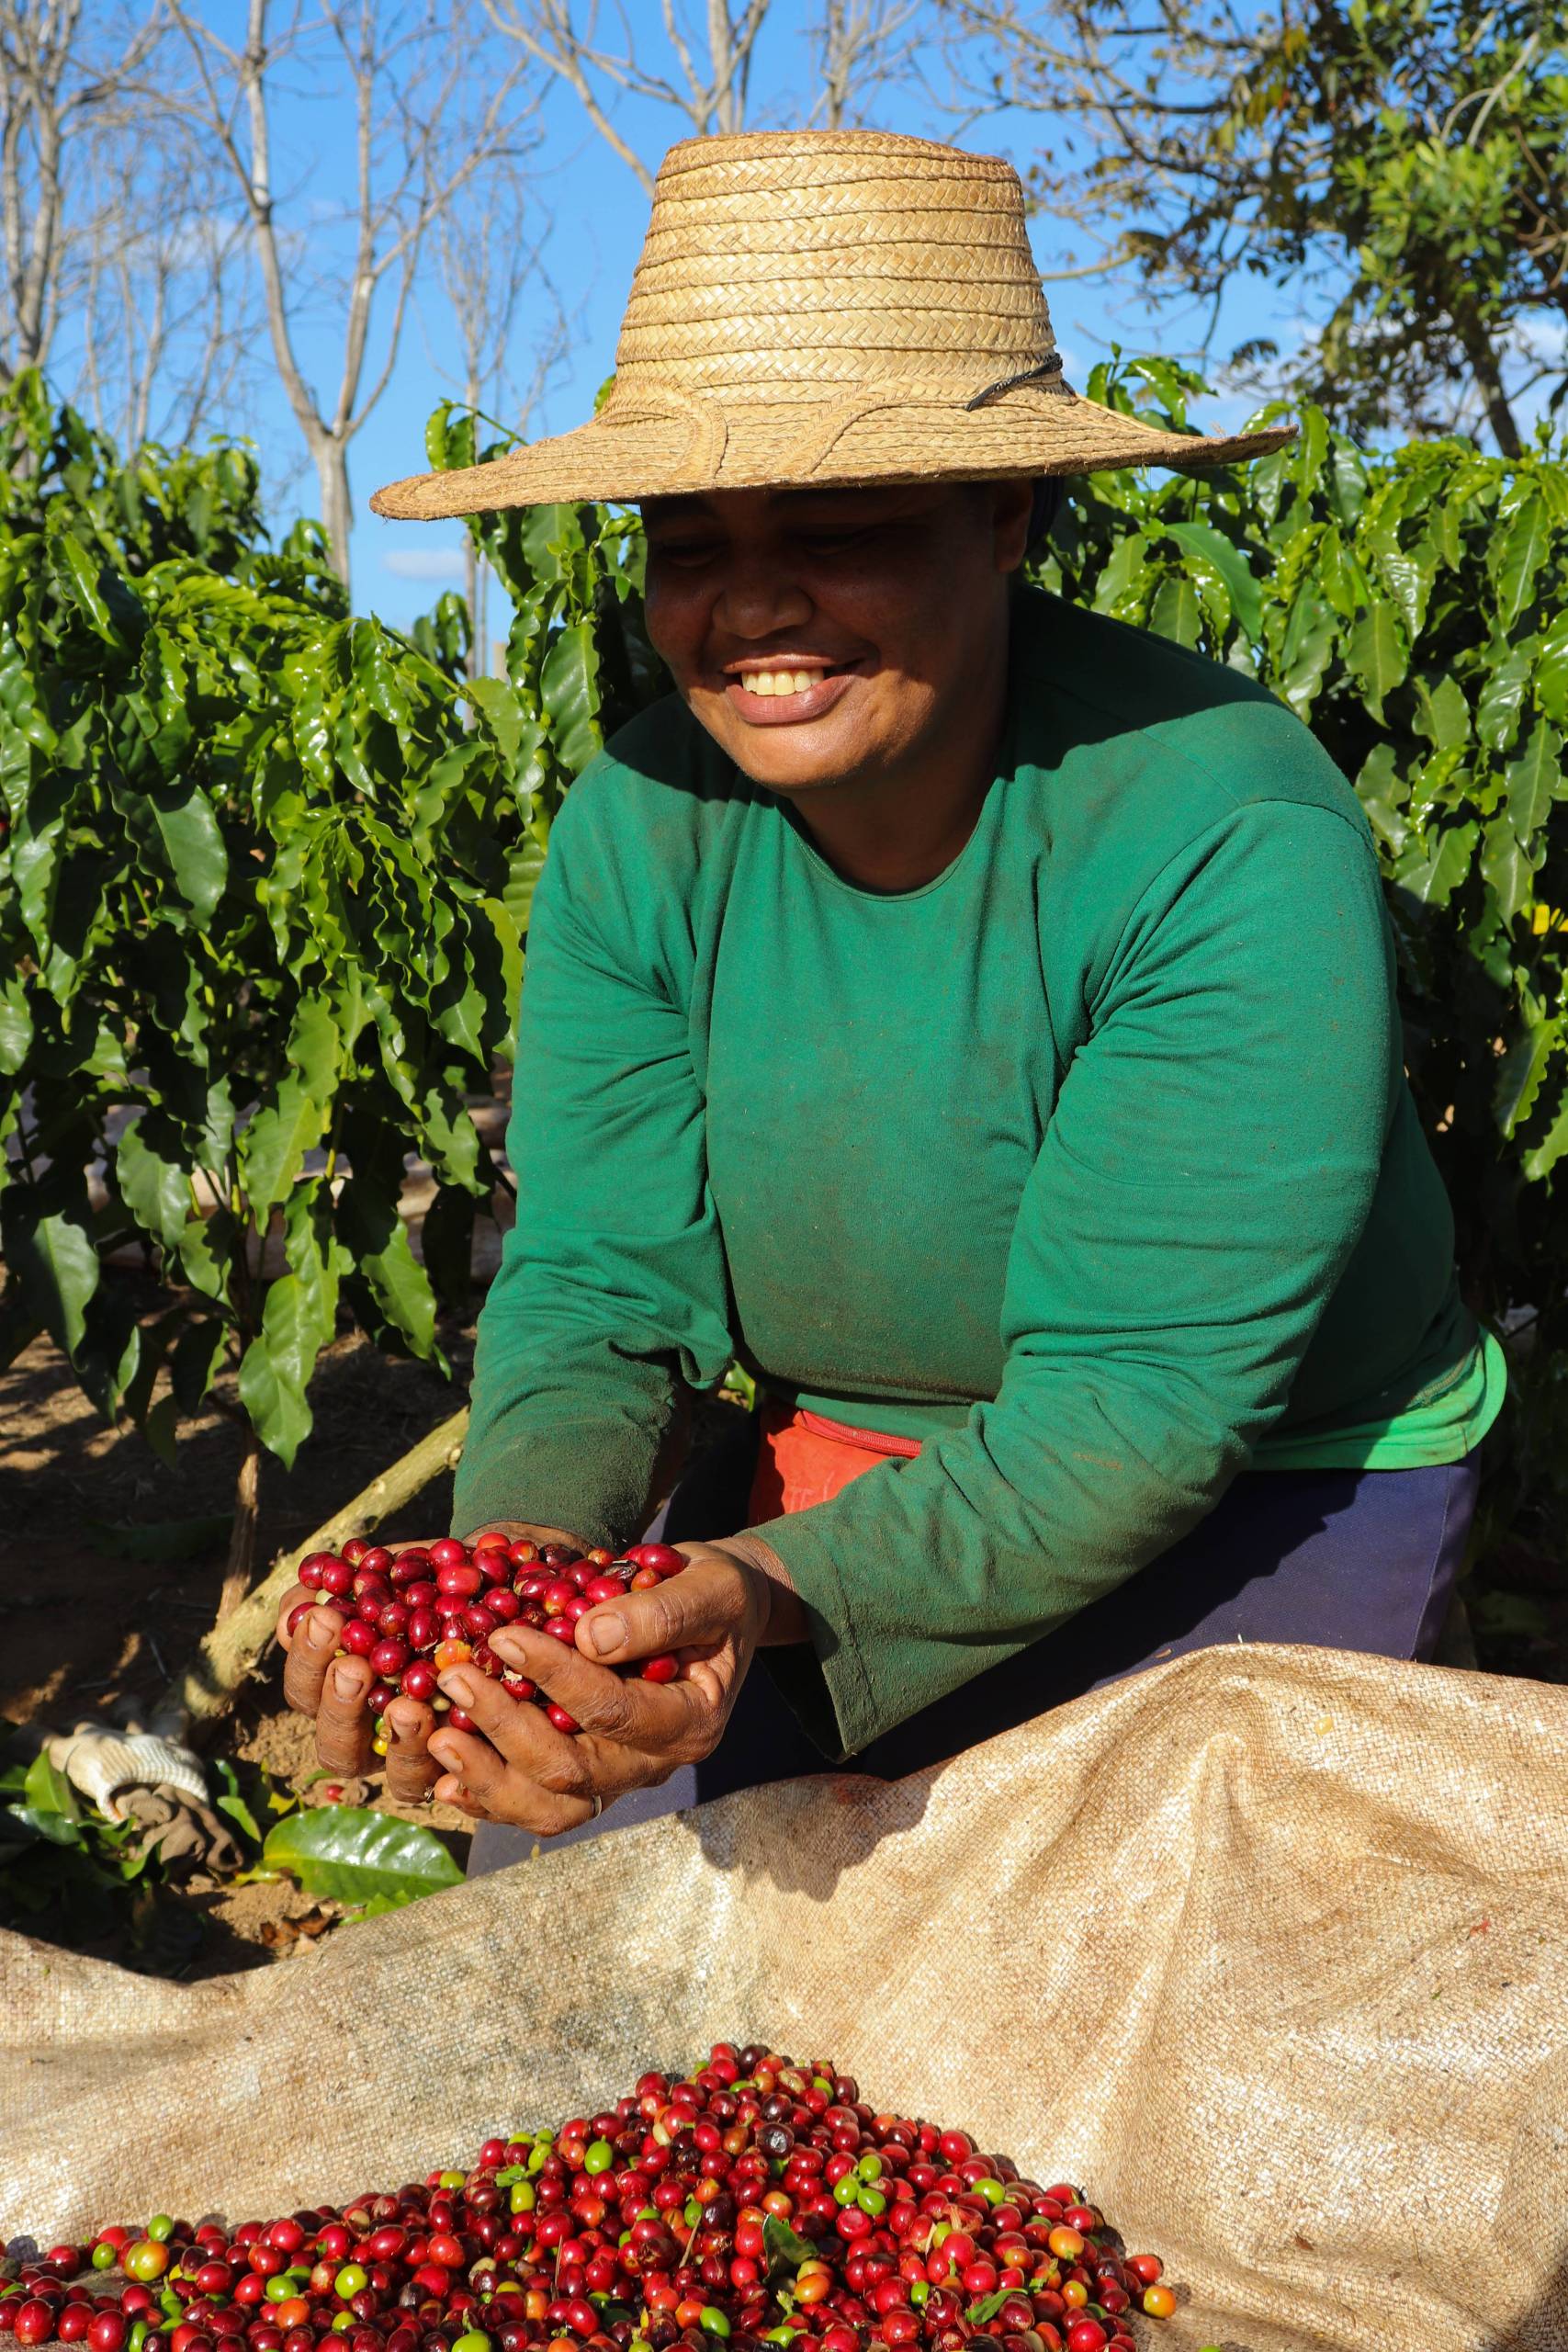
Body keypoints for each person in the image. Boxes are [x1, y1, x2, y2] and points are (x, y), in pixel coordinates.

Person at [279, 129, 1504, 1864]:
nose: (755, 603)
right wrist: (527, 1577)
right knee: (594, 1921)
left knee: (1177, 1990)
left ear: (1005, 518)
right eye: (689, 544)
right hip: (823, 1469)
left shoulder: (1217, 822)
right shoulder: (643, 827)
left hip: (1271, 1475)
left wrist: (771, 1591)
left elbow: (1141, 1404)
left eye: (840, 528)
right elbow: (600, 1277)